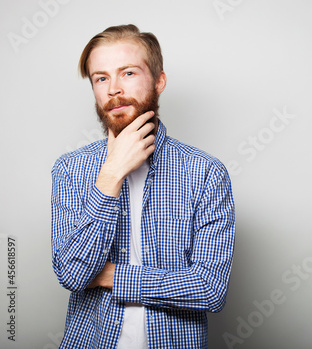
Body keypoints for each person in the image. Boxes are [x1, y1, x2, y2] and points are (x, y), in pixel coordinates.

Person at [51, 24, 235, 349]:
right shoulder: (69, 170)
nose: (114, 89)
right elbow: (72, 274)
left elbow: (209, 288)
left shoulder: (205, 172)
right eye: (101, 78)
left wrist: (109, 276)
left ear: (159, 81)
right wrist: (111, 175)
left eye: (129, 73)